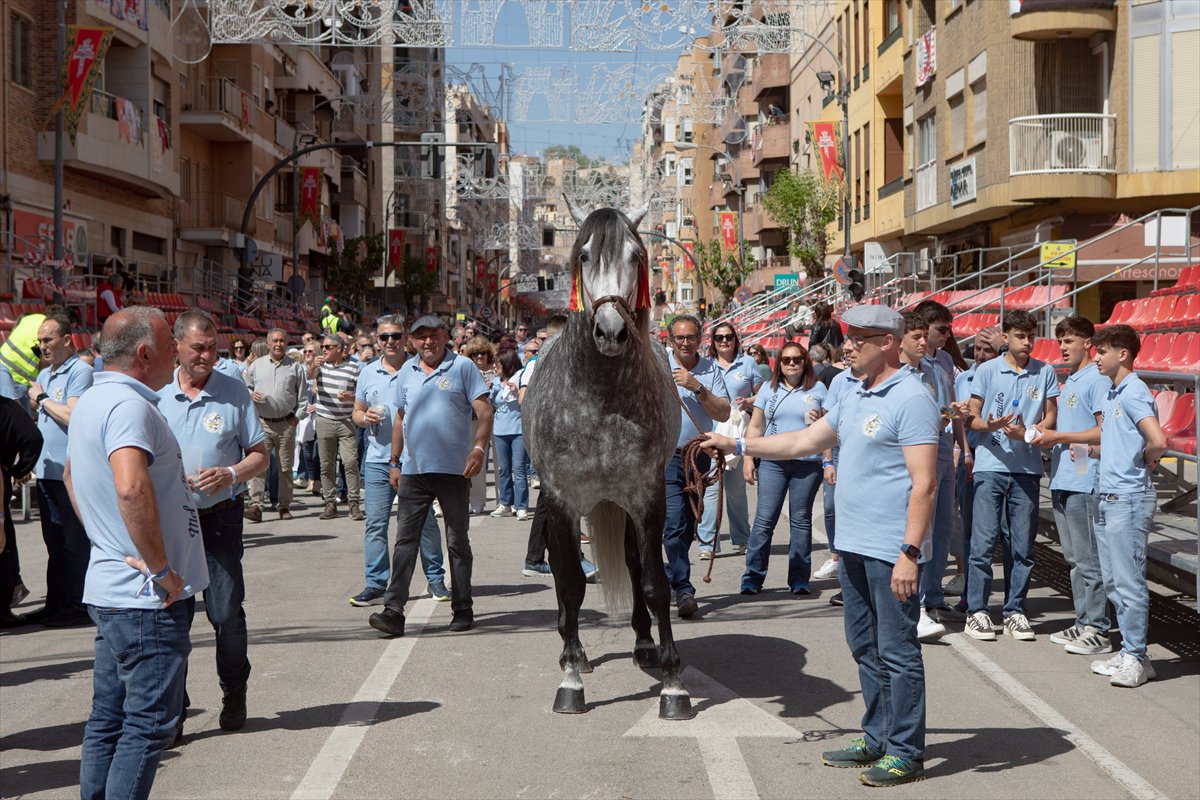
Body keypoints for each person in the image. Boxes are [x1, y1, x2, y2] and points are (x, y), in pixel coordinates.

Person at [702, 304, 939, 787]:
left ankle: (905, 751)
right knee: (864, 645)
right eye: (848, 337)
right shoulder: (853, 390)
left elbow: (925, 483)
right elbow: (803, 441)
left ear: (887, 343)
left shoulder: (912, 397)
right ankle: (877, 738)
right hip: (851, 544)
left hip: (890, 549)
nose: (847, 345)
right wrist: (739, 445)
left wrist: (910, 553)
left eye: (858, 338)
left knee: (897, 650)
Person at [66, 307, 208, 800]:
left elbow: (72, 477)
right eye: (171, 347)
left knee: (108, 718)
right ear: (145, 353)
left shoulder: (93, 400)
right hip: (145, 600)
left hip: (118, 590)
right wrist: (160, 566)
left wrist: (106, 538)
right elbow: (129, 487)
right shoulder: (128, 406)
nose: (177, 356)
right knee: (147, 726)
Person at [157, 310, 268, 734]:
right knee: (173, 616)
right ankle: (173, 710)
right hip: (171, 523)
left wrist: (231, 474)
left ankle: (234, 692)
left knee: (225, 613)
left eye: (212, 349)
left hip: (220, 519)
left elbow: (260, 455)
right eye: (198, 348)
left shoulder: (233, 391)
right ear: (177, 347)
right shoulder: (156, 392)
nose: (207, 356)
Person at [368, 315, 492, 637]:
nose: (428, 342)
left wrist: (479, 448)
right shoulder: (406, 372)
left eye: (434, 335)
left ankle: (462, 609)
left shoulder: (462, 367)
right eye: (421, 337)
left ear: (444, 337)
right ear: (413, 341)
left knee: (457, 542)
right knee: (405, 542)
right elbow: (400, 418)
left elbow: (484, 411)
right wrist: (394, 462)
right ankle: (393, 611)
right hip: (414, 472)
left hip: (454, 470)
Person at [963, 310, 1059, 642]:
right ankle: (976, 611)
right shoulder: (987, 370)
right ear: (1006, 337)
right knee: (983, 542)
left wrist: (1028, 433)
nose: (1027, 342)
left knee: (1022, 547)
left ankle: (1015, 611)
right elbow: (972, 417)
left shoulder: (1045, 371)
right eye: (1020, 336)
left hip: (1027, 470)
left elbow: (1051, 418)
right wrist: (987, 426)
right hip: (989, 467)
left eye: (1031, 336)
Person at [1087, 324, 1167, 688]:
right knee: (1114, 581)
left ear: (1123, 354)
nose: (1096, 358)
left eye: (1102, 351)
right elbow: (1118, 441)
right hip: (1109, 496)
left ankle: (1135, 655)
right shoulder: (1113, 392)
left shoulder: (1133, 391)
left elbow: (1158, 440)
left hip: (1128, 498)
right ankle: (1131, 652)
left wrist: (1147, 461)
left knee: (1129, 582)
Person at [350, 315, 448, 607]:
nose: (390, 342)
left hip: (414, 461)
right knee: (375, 525)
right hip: (377, 460)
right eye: (384, 337)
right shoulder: (368, 372)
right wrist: (363, 418)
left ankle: (436, 579)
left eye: (395, 336)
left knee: (424, 523)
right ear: (377, 340)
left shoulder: (419, 367)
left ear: (405, 338)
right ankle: (375, 583)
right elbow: (356, 411)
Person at [1028, 316, 1111, 656]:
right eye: (1060, 341)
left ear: (1087, 343)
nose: (1062, 347)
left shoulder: (1097, 380)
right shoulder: (1071, 380)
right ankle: (1083, 620)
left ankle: (1099, 629)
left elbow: (1103, 431)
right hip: (1064, 476)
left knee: (1089, 559)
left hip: (1085, 479)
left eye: (1069, 341)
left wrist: (1058, 435)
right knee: (1075, 559)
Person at [740, 341, 827, 595]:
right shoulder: (769, 388)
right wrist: (748, 458)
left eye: (797, 359)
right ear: (779, 363)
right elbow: (756, 426)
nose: (792, 364)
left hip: (807, 464)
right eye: (786, 360)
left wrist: (822, 422)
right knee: (764, 520)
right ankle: (752, 578)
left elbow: (830, 428)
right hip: (772, 462)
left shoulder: (819, 388)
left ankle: (799, 579)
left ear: (805, 362)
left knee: (800, 520)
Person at [25, 313, 94, 627]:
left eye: (48, 340)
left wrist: (41, 398)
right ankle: (56, 603)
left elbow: (72, 415)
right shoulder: (47, 372)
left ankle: (78, 605)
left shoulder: (79, 371)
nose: (42, 346)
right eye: (39, 341)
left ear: (67, 339)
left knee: (74, 542)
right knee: (54, 542)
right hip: (46, 471)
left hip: (69, 473)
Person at [663, 315, 731, 619]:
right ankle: (683, 588)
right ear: (670, 339)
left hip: (698, 455)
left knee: (691, 522)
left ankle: (669, 573)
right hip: (665, 456)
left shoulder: (710, 370)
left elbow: (724, 412)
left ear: (700, 339)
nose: (685, 343)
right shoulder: (658, 364)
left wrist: (697, 387)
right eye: (680, 337)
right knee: (675, 521)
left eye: (691, 337)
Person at [696, 323, 760, 560]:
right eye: (719, 337)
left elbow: (763, 395)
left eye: (728, 337)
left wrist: (749, 401)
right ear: (712, 341)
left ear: (735, 339)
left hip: (736, 434)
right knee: (711, 489)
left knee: (735, 490)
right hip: (711, 433)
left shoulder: (748, 363)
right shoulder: (706, 366)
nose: (724, 341)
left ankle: (742, 538)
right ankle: (707, 544)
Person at [950, 329, 1002, 613]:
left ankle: (1012, 605)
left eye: (988, 350)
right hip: (971, 459)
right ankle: (970, 596)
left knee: (1006, 535)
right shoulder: (963, 379)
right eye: (977, 350)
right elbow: (955, 419)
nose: (980, 355)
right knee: (970, 530)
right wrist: (964, 451)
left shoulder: (1008, 375)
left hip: (1005, 460)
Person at [244, 328, 308, 522]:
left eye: (282, 341)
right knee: (258, 465)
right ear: (268, 344)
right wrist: (250, 395)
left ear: (286, 343)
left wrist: (296, 417)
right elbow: (246, 388)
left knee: (285, 468)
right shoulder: (257, 365)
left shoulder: (295, 367)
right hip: (262, 423)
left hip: (286, 424)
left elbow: (303, 397)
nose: (278, 344)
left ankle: (284, 505)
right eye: (275, 341)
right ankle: (256, 506)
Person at [309, 333, 362, 520]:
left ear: (339, 349)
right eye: (322, 347)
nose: (323, 350)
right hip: (324, 420)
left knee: (350, 462)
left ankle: (353, 503)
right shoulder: (320, 366)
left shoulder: (353, 368)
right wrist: (313, 366)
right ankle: (330, 503)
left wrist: (351, 397)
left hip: (346, 420)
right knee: (326, 465)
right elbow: (308, 376)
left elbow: (362, 395)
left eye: (327, 347)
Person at [0, 397, 42, 628]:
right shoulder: (7, 408)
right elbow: (33, 438)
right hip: (2, 481)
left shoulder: (7, 408)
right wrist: (19, 468)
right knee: (3, 545)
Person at [491, 350, 530, 520]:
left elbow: (528, 401)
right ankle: (505, 503)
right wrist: (488, 391)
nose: (495, 367)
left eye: (498, 364)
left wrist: (517, 392)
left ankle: (521, 506)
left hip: (518, 431)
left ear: (507, 364)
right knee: (503, 469)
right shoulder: (495, 382)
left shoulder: (520, 379)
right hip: (499, 431)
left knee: (519, 468)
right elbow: (490, 404)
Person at [462, 336, 498, 515]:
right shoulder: (467, 372)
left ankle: (502, 501)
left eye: (482, 353)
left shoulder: (497, 371)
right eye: (475, 354)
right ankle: (474, 500)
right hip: (473, 419)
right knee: (475, 460)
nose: (479, 357)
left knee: (497, 463)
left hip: (496, 419)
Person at [0, 310, 47, 406]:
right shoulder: (46, 329)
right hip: (13, 378)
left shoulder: (30, 318)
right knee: (15, 412)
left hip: (16, 377)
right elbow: (44, 362)